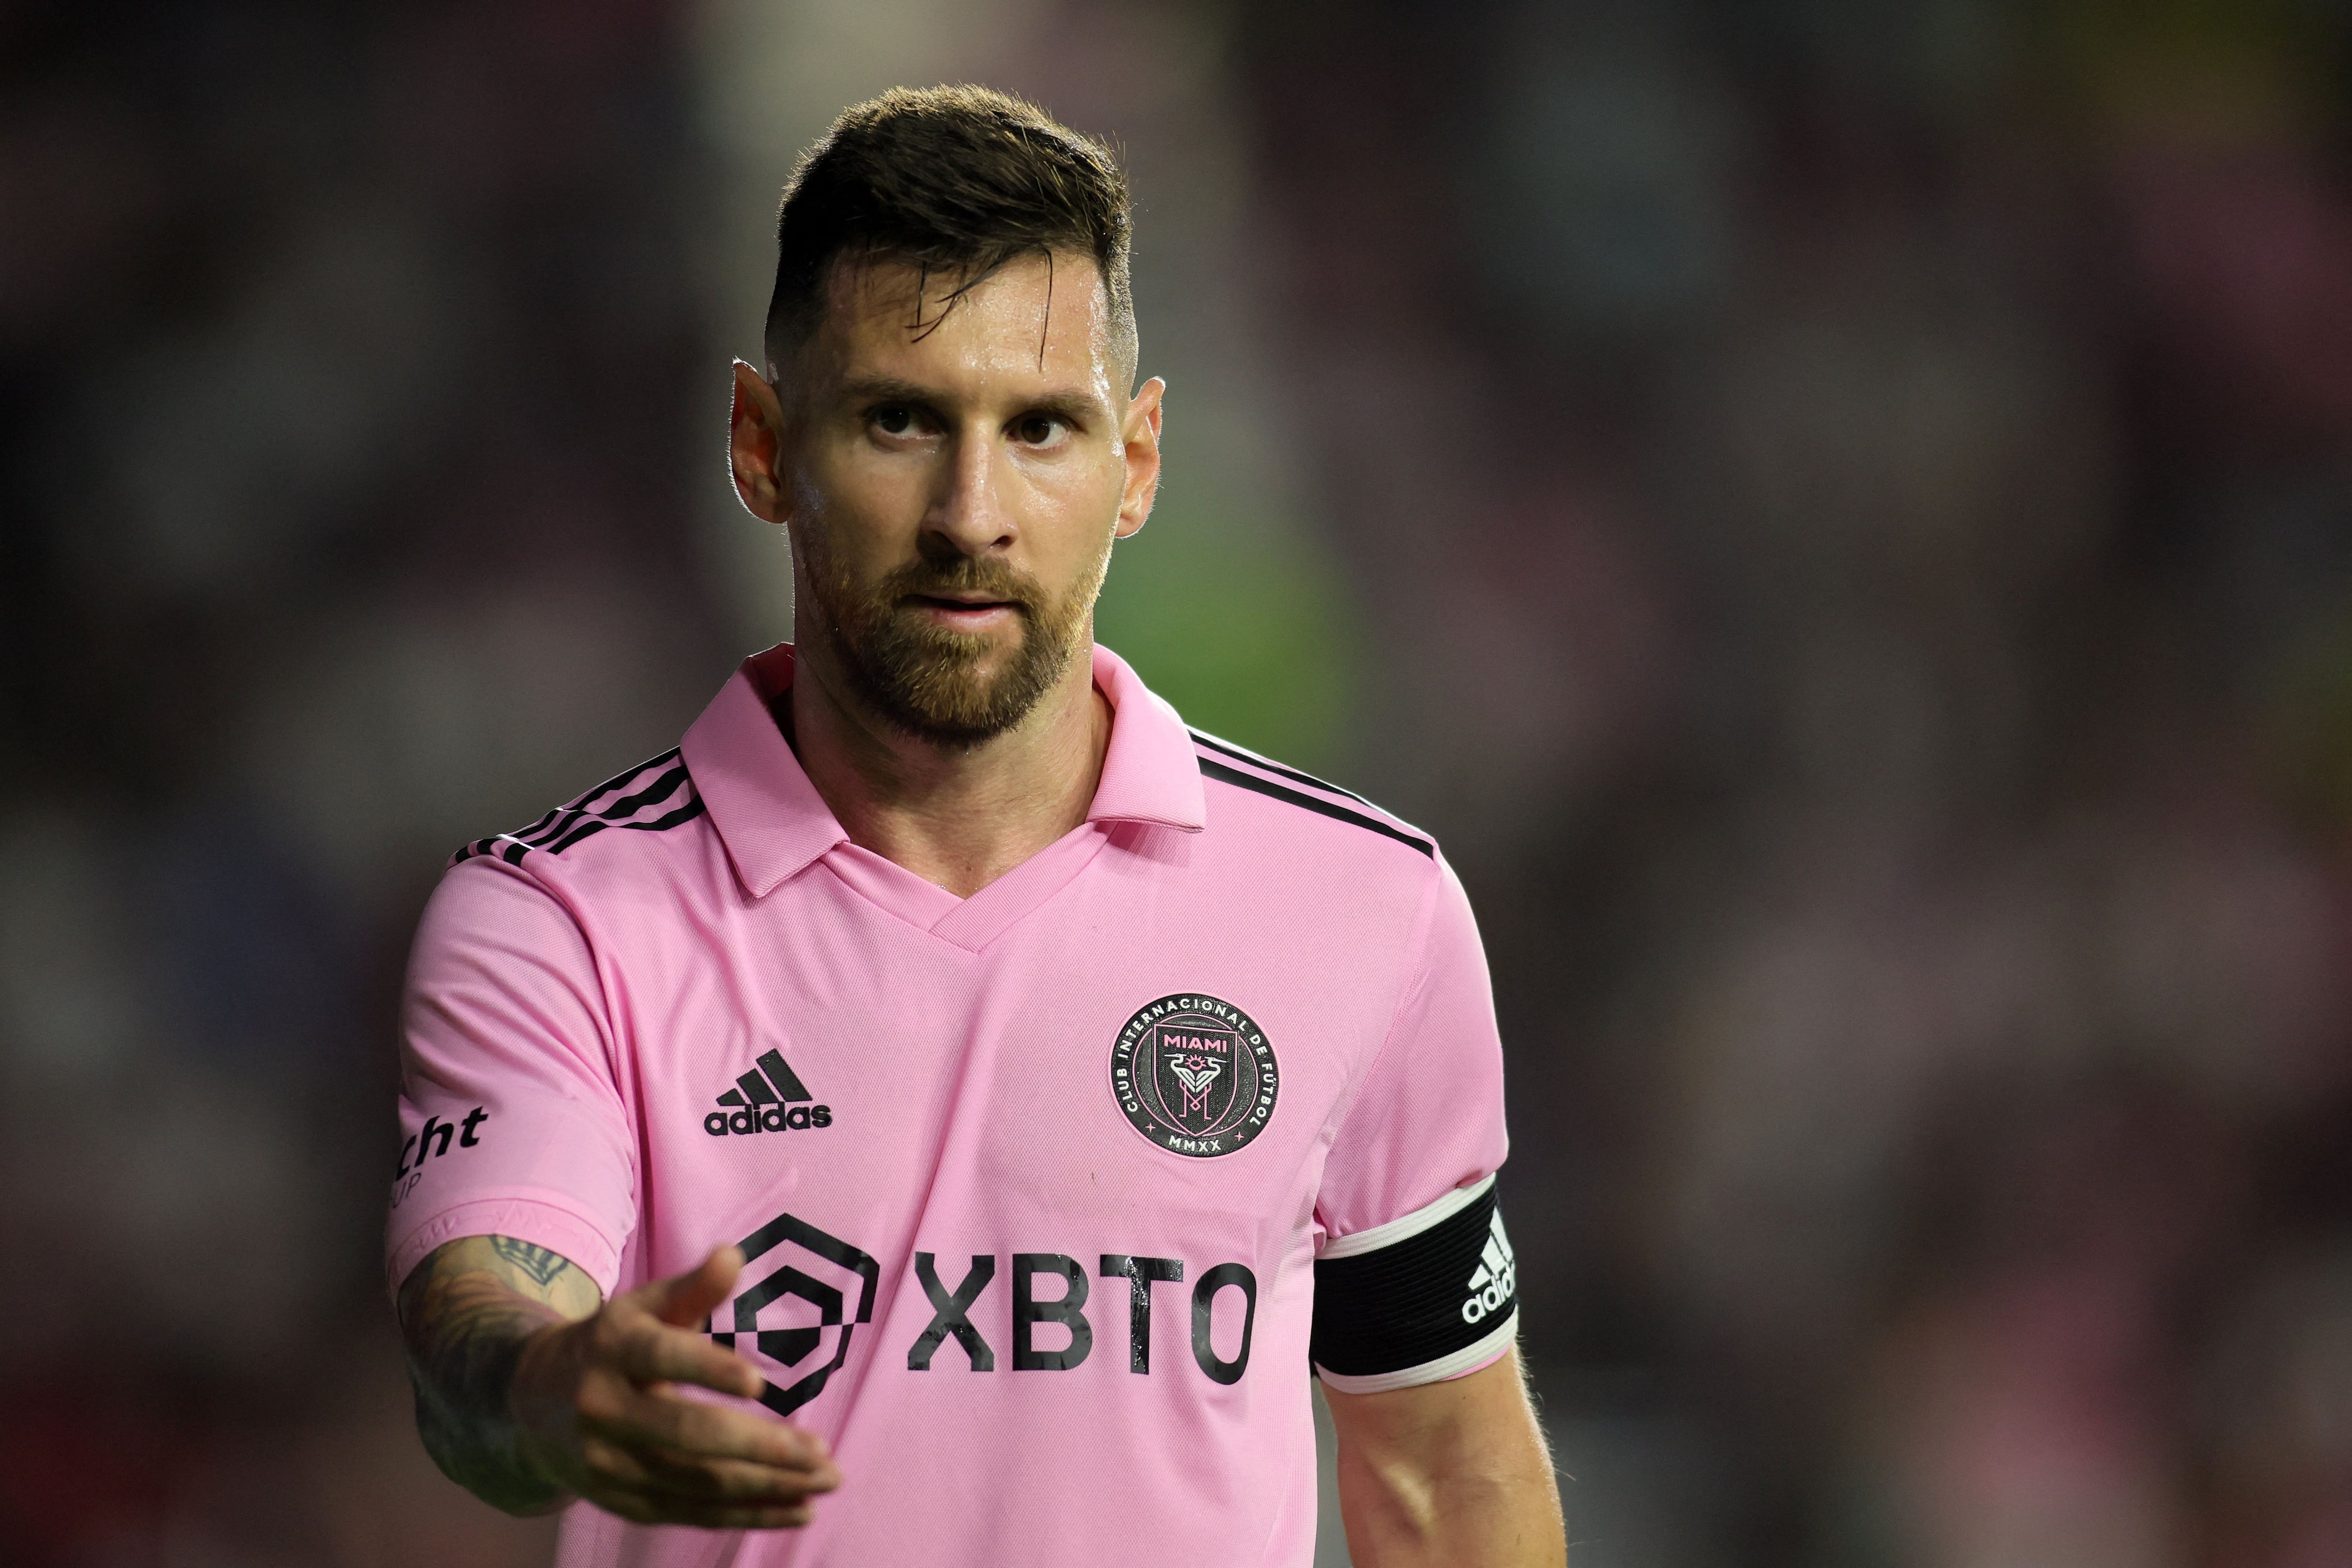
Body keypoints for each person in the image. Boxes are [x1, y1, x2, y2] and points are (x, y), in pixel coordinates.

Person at [389, 84, 1564, 1567]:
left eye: (1042, 429)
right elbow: (477, 1341)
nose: (972, 511)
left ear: (1134, 465)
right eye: (899, 420)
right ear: (761, 444)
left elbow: (1445, 1478)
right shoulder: (564, 921)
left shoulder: (1368, 912)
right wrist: (557, 1389)